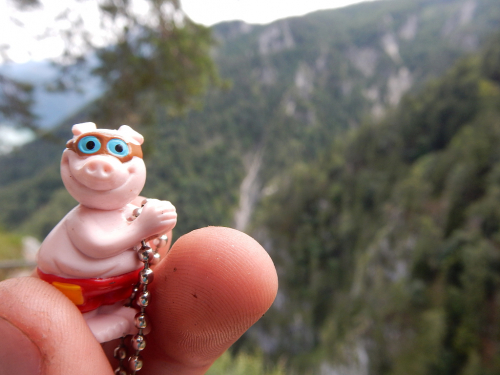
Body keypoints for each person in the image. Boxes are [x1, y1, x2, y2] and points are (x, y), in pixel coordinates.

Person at [0, 226, 278, 374]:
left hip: (98, 294)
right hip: (75, 292)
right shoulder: (84, 221)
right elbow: (92, 240)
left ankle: (115, 322)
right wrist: (143, 226)